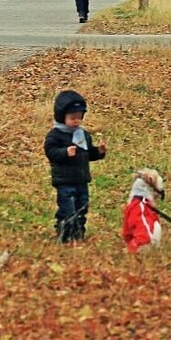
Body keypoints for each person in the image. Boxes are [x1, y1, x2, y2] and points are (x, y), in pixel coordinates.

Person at [44, 90, 106, 243]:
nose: (76, 121)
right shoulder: (55, 135)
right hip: (65, 181)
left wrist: (98, 152)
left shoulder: (82, 135)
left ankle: (78, 233)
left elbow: (88, 154)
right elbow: (50, 152)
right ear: (61, 116)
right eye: (72, 118)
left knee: (82, 207)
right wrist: (65, 152)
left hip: (81, 180)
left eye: (79, 118)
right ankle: (64, 233)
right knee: (68, 208)